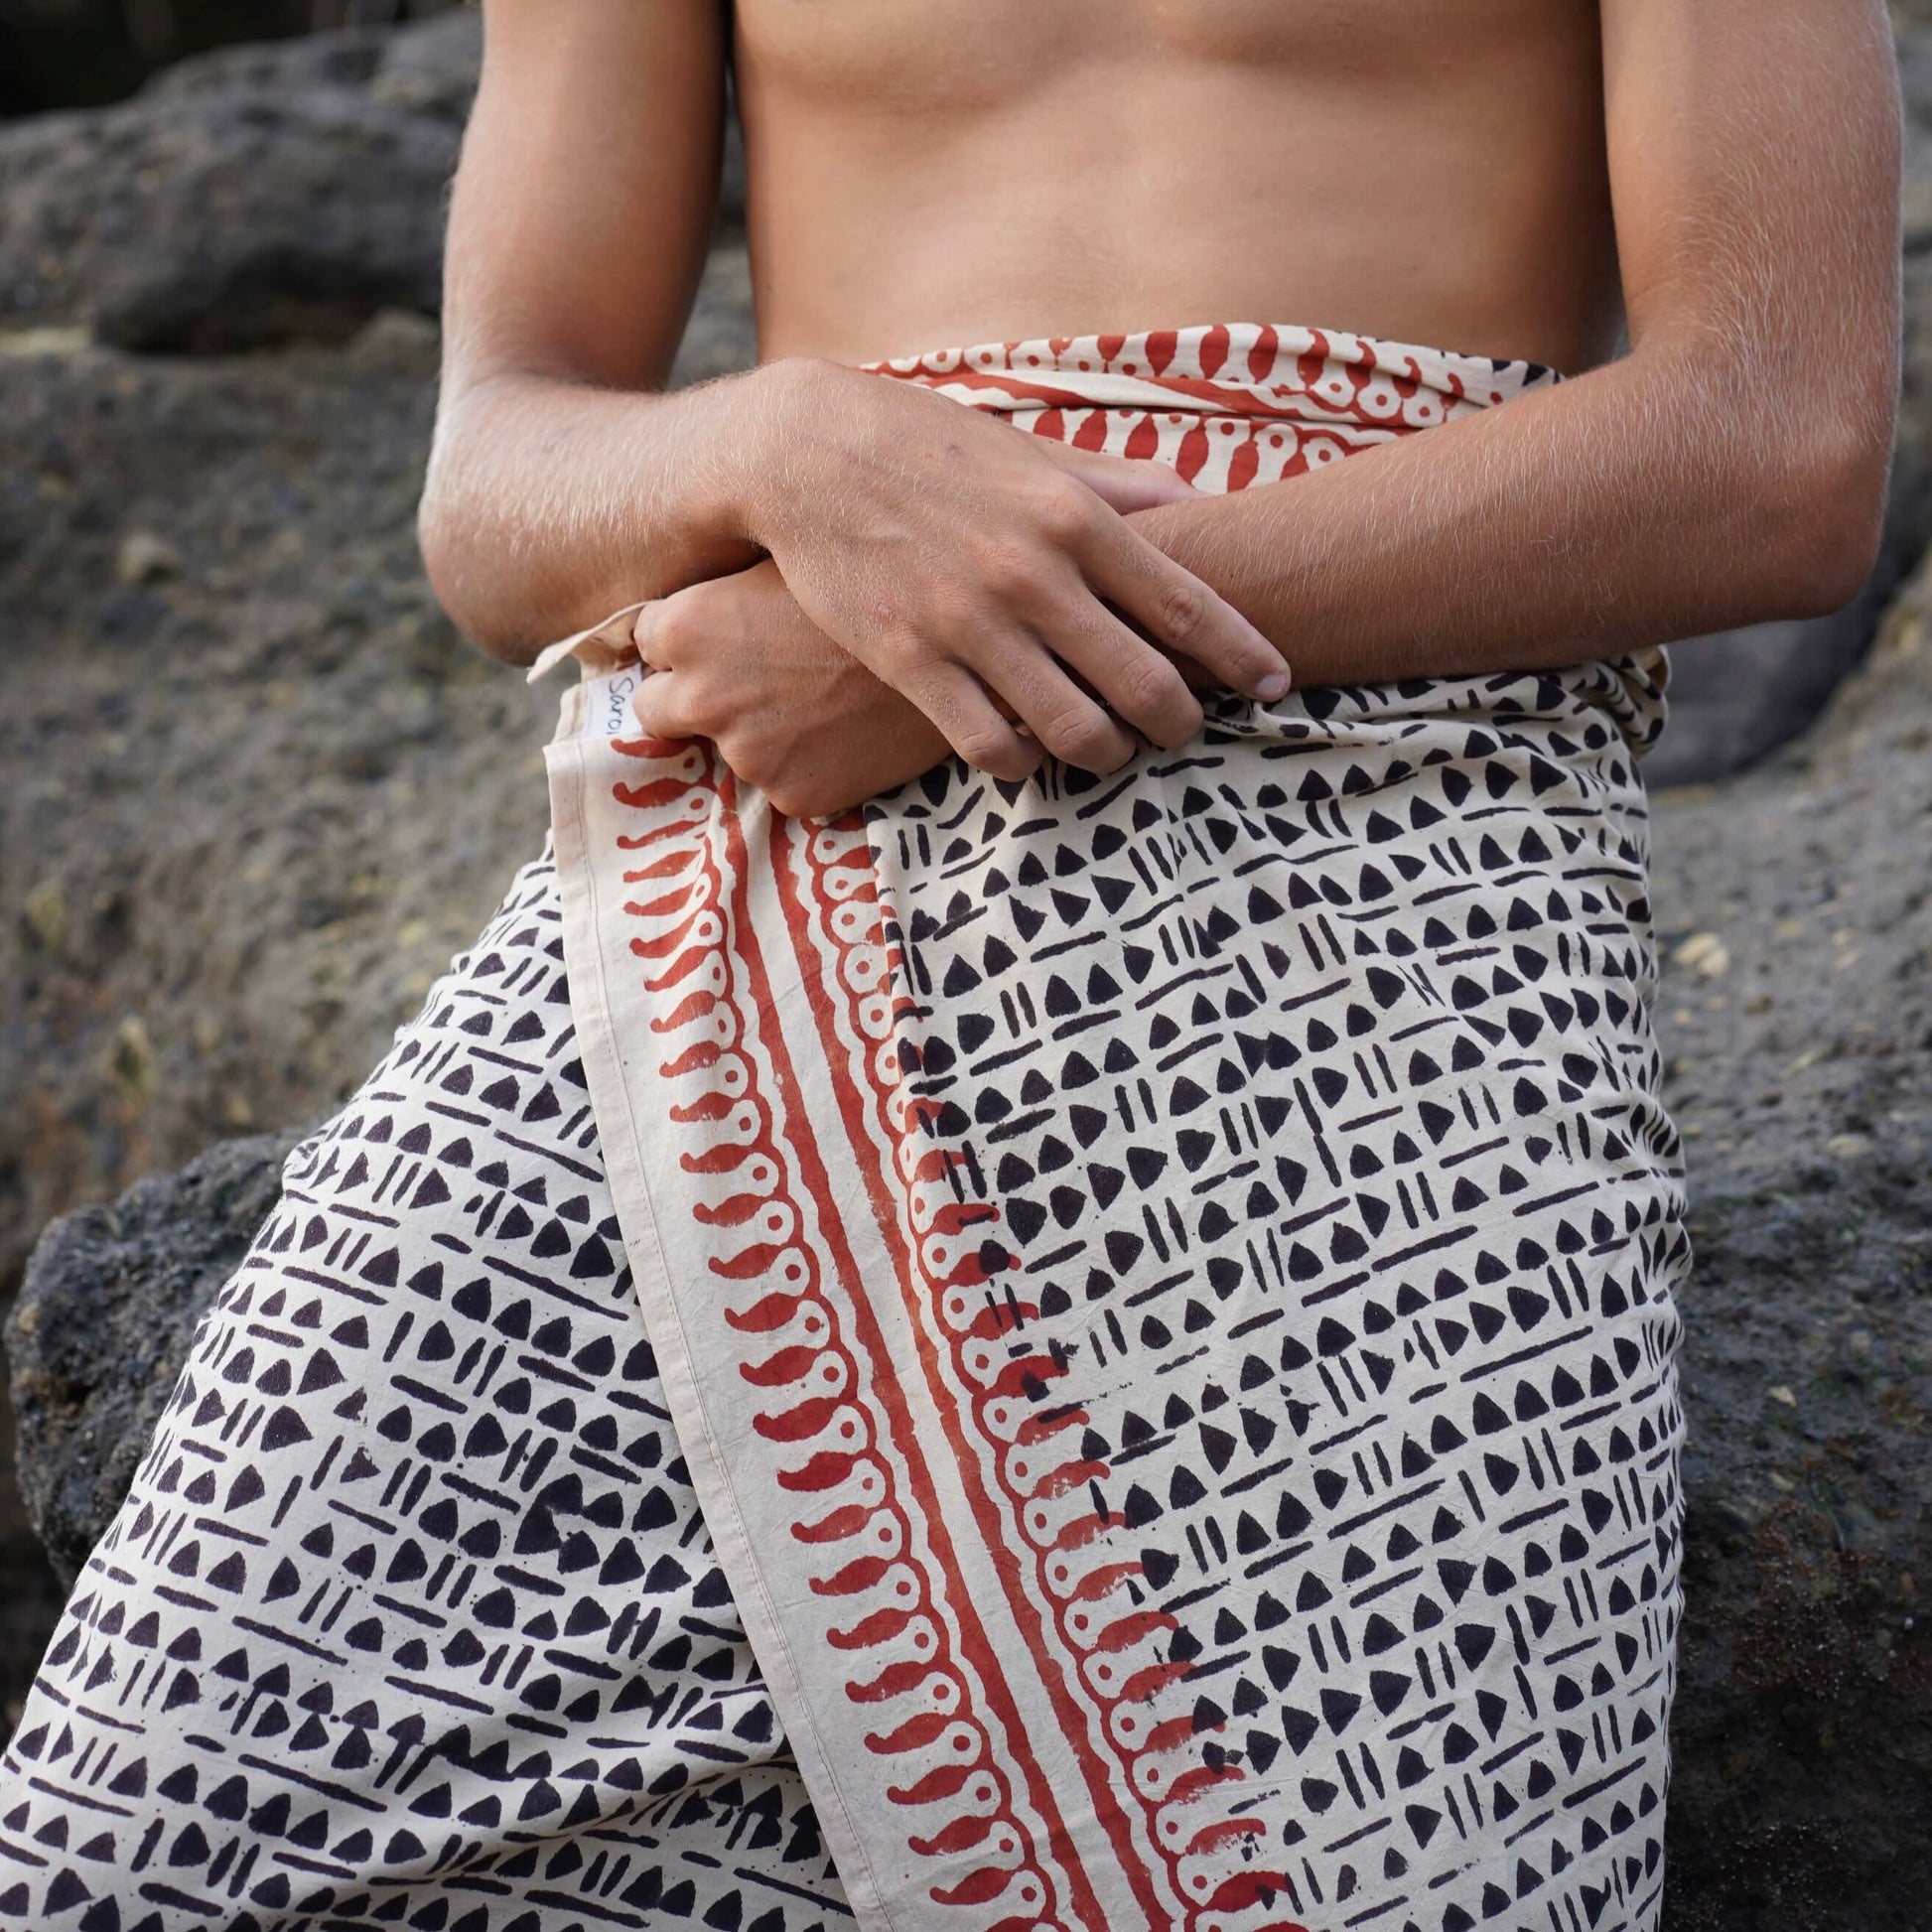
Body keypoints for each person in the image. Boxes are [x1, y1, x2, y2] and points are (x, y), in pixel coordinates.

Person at [0, 4, 1901, 1931]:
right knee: (132, 1843)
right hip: (752, 910)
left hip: (1390, 931)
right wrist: (790, 442)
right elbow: (495, 492)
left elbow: (1775, 436)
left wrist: (971, 622)